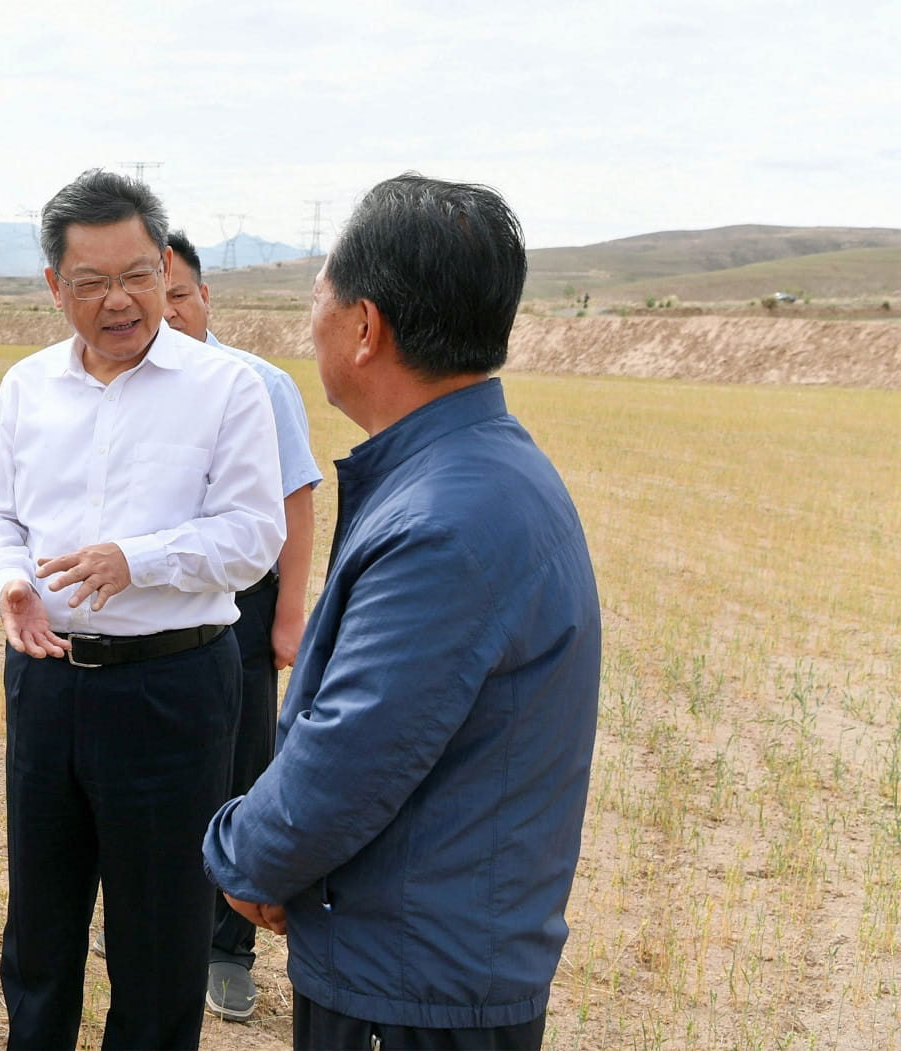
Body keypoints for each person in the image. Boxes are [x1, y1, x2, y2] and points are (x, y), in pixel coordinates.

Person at [203, 174, 601, 1051]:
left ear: (364, 326)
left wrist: (244, 855)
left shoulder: (447, 518)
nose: (312, 316)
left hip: (412, 985)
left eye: (319, 294)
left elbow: (351, 753)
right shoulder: (476, 472)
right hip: (427, 953)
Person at [0, 169, 285, 1050]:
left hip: (170, 686)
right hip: (47, 679)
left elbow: (253, 535)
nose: (120, 300)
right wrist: (10, 582)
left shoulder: (225, 387)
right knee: (41, 920)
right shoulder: (27, 386)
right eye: (93, 281)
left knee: (160, 937)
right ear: (54, 285)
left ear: (166, 268)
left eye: (139, 275)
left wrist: (134, 559)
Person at [159, 230, 322, 1021]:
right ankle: (162, 920)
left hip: (244, 607)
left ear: (204, 295)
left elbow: (296, 504)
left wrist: (288, 615)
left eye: (178, 294)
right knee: (156, 768)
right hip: (157, 610)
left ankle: (229, 948)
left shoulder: (261, 383)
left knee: (242, 770)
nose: (166, 311)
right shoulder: (128, 387)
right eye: (152, 296)